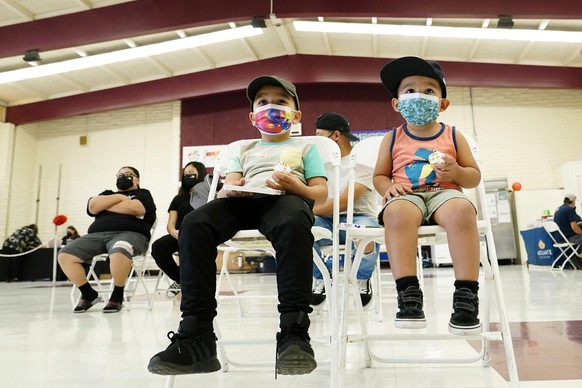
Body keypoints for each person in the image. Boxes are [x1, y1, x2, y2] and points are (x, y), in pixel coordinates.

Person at [147, 75, 328, 376]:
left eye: (281, 102)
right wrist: (231, 189)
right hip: (243, 200)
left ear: (296, 116)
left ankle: (294, 332)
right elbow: (230, 184)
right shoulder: (243, 151)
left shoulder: (307, 149)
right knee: (195, 223)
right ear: (252, 116)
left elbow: (319, 193)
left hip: (285, 198)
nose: (271, 107)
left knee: (294, 220)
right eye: (263, 102)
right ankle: (197, 335)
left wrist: (298, 186)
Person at [374, 56, 482, 335]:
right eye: (409, 90)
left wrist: (456, 171)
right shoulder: (392, 138)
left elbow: (473, 176)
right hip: (406, 195)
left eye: (429, 90)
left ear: (443, 104)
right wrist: (387, 188)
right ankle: (408, 294)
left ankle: (466, 296)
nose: (418, 96)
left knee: (462, 210)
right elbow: (380, 176)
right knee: (396, 212)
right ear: (397, 103)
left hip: (445, 193)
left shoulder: (455, 135)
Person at [58, 166, 156, 313]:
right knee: (65, 255)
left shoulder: (143, 193)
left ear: (137, 179)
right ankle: (88, 293)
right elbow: (92, 207)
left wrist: (106, 205)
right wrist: (121, 198)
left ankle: (117, 295)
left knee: (119, 250)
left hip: (130, 235)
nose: (123, 176)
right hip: (96, 236)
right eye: (120, 174)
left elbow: (136, 209)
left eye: (128, 174)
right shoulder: (108, 193)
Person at [311, 112, 379, 309]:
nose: (316, 140)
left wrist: (311, 210)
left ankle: (362, 279)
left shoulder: (362, 165)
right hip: (325, 220)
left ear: (336, 135)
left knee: (367, 235)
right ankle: (321, 277)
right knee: (299, 227)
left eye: (319, 134)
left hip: (358, 216)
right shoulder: (320, 166)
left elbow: (344, 202)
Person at [151, 161, 210, 297]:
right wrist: (173, 231)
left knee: (190, 247)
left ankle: (190, 284)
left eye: (191, 173)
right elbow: (171, 223)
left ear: (200, 174)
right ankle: (181, 279)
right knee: (159, 247)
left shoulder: (210, 195)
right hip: (180, 234)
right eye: (185, 174)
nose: (187, 176)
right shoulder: (178, 199)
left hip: (201, 235)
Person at [553, 194, 582, 262]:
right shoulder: (570, 209)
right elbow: (574, 227)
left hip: (559, 238)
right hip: (568, 238)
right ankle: (579, 258)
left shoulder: (559, 209)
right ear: (572, 201)